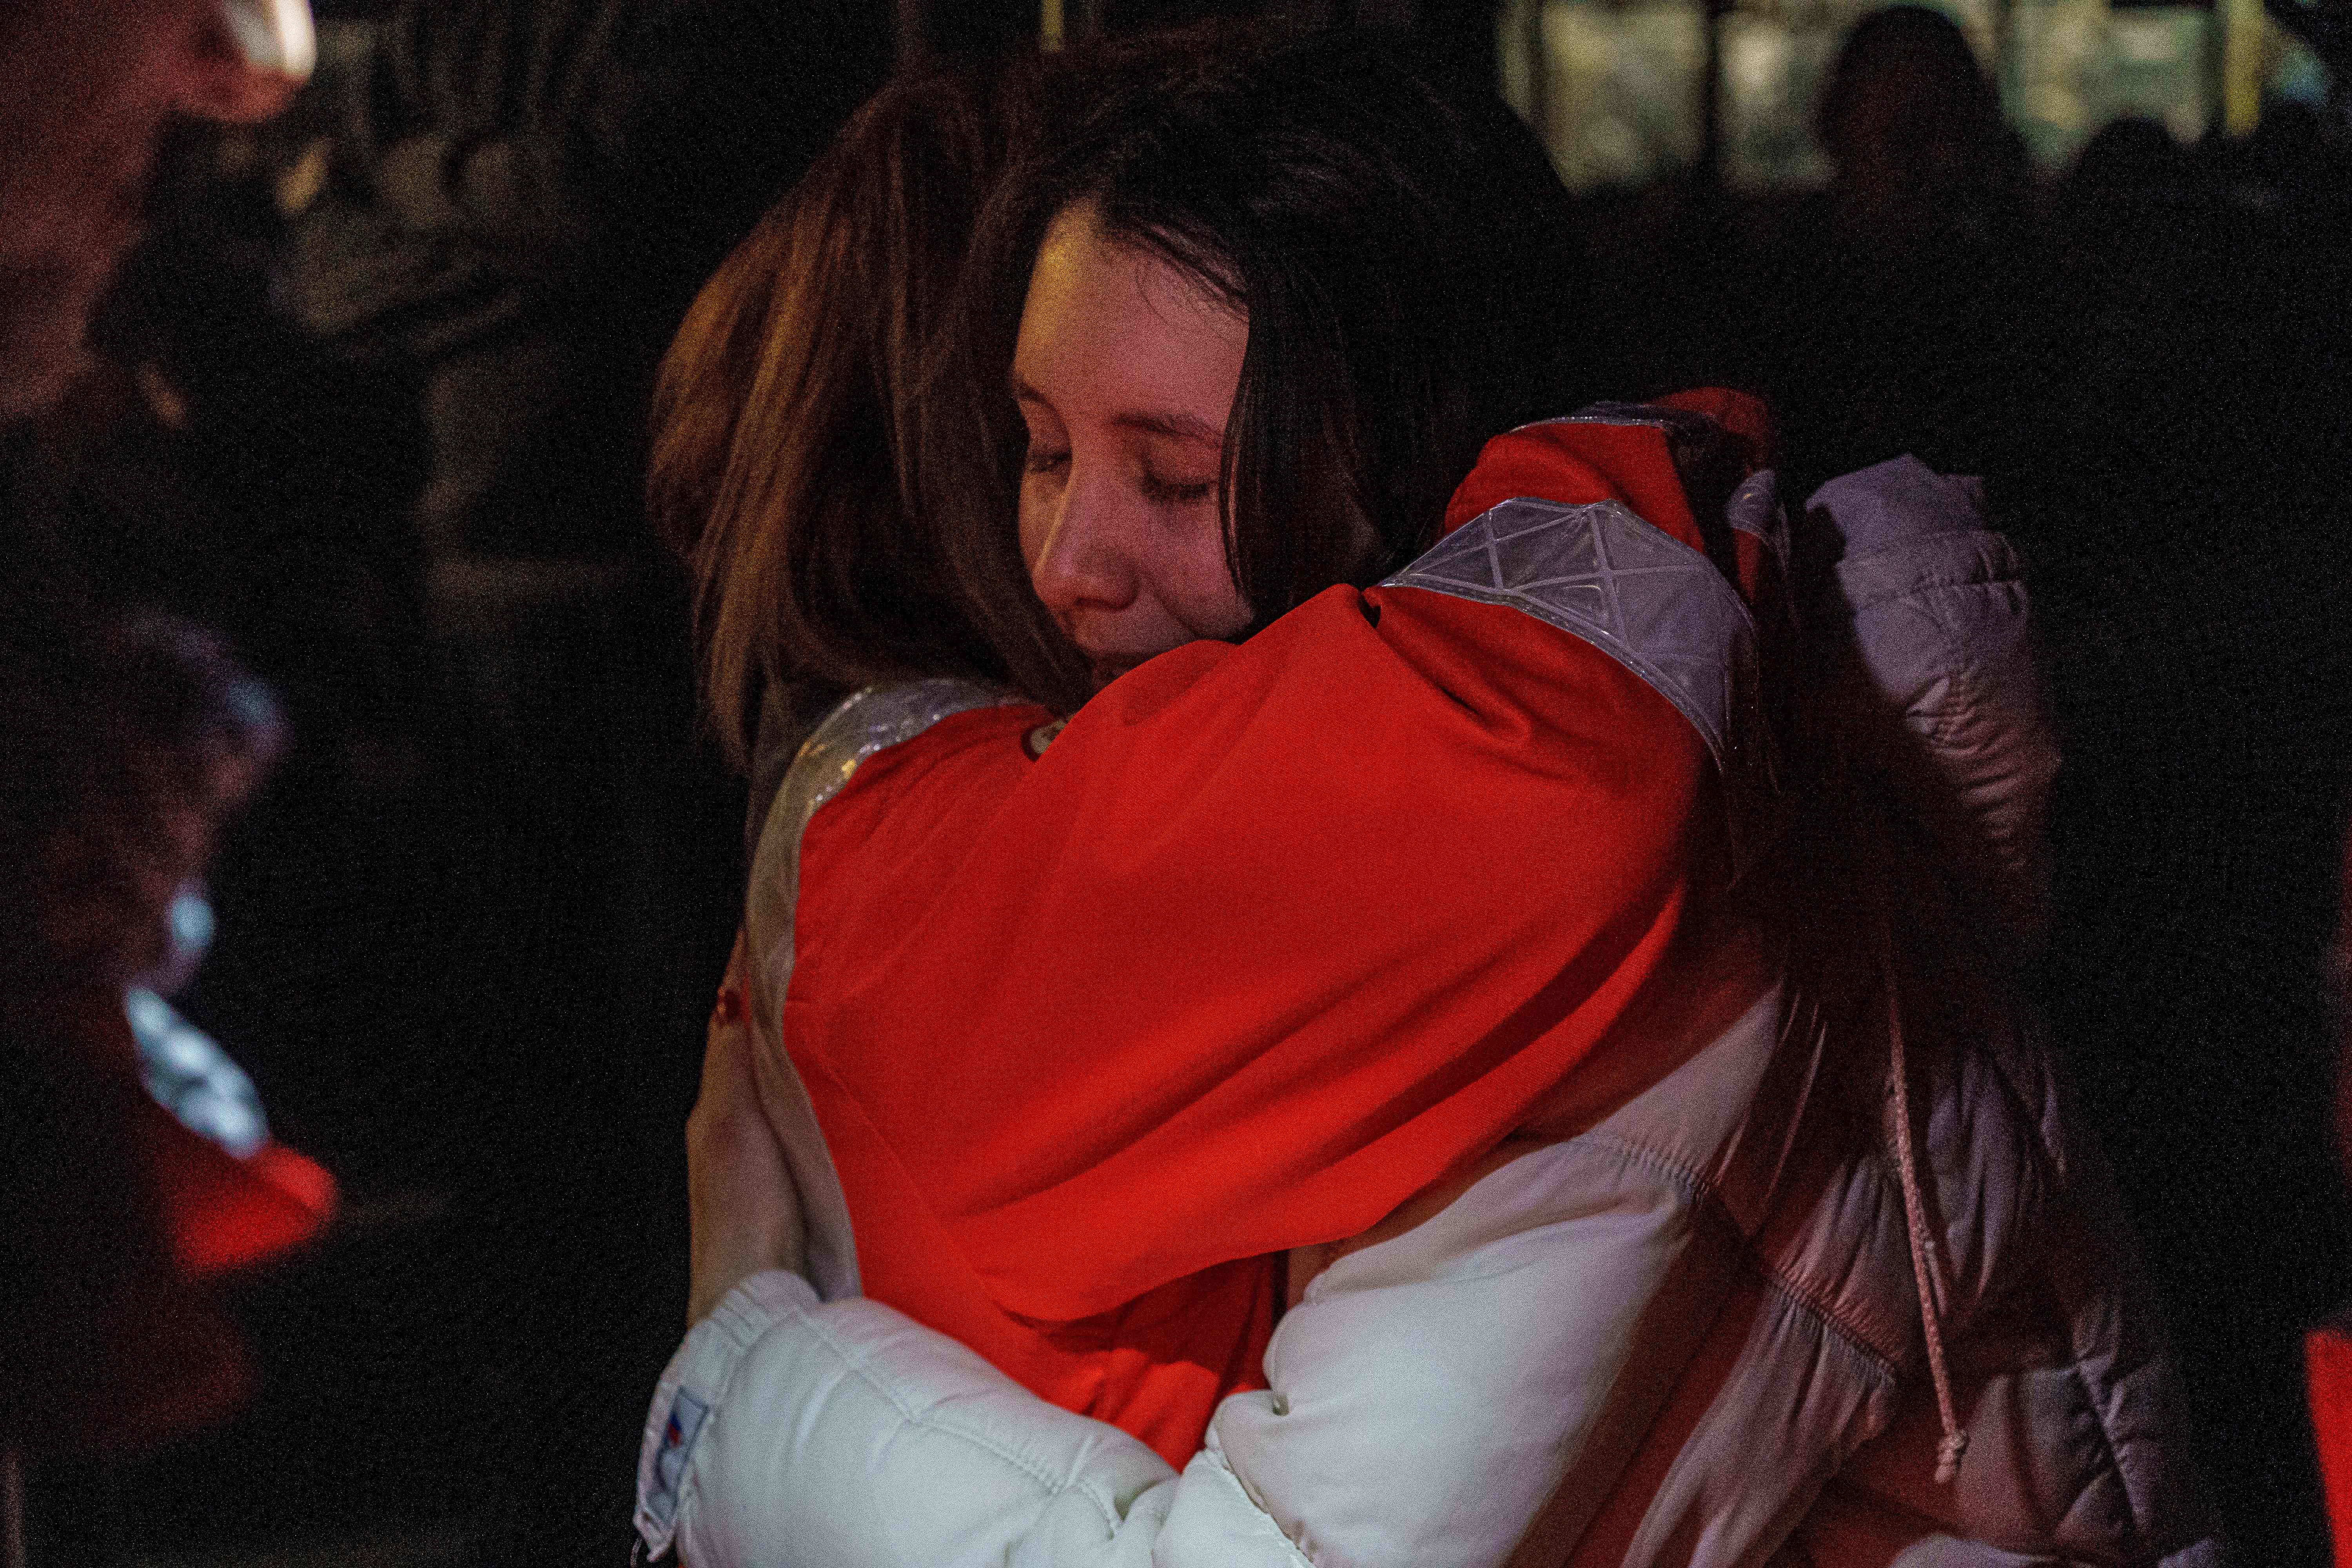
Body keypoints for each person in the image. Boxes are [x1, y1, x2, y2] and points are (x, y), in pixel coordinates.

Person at [640, 29, 2216, 1566]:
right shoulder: (1463, 830)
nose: (1066, 566)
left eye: (1176, 480)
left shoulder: (1620, 919)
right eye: (1040, 452)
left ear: (1392, 464)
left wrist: (735, 1380)